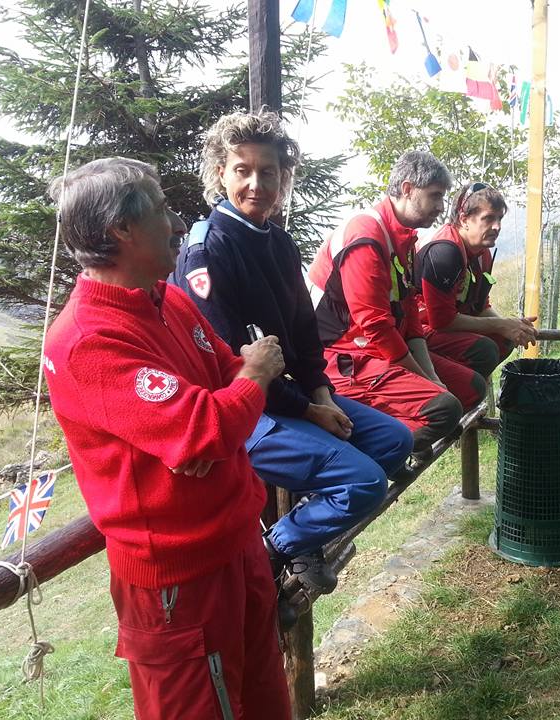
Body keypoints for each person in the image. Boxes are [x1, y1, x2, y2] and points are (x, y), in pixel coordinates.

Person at [43, 158, 291, 719]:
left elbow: (222, 383)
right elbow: (211, 423)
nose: (178, 223)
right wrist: (248, 384)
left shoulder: (168, 299)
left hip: (238, 543)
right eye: (161, 209)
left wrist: (215, 419)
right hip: (178, 581)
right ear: (121, 230)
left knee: (265, 699)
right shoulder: (86, 341)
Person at [172, 110, 413, 605]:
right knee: (364, 483)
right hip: (244, 412)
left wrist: (322, 395)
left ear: (283, 177)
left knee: (395, 440)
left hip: (295, 396)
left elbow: (304, 331)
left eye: (269, 172)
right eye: (242, 170)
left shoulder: (278, 242)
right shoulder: (209, 250)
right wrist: (309, 410)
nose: (256, 184)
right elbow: (233, 366)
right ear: (221, 173)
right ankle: (276, 547)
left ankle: (307, 530)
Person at [307, 151, 473, 458]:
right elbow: (376, 326)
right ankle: (364, 459)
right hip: (342, 361)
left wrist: (432, 378)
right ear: (408, 189)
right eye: (435, 196)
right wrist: (427, 381)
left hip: (375, 353)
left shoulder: (404, 237)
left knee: (467, 388)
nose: (441, 207)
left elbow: (409, 313)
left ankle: (402, 437)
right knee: (445, 409)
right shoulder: (365, 236)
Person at [413, 182, 537, 377]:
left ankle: (470, 384)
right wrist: (501, 325)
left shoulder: (481, 252)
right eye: (488, 218)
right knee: (484, 350)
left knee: (505, 340)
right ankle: (457, 389)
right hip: (417, 330)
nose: (497, 226)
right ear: (464, 219)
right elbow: (441, 321)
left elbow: (480, 306)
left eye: (499, 218)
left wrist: (513, 326)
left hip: (444, 327)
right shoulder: (445, 252)